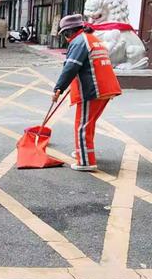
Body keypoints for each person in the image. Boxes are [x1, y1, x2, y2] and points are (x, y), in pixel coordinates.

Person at [52, 14, 122, 172]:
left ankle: (85, 162)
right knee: (88, 124)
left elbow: (71, 67)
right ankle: (82, 152)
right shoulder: (91, 38)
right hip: (105, 87)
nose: (65, 37)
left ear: (70, 31)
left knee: (82, 126)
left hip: (93, 89)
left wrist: (58, 88)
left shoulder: (78, 42)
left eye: (65, 33)